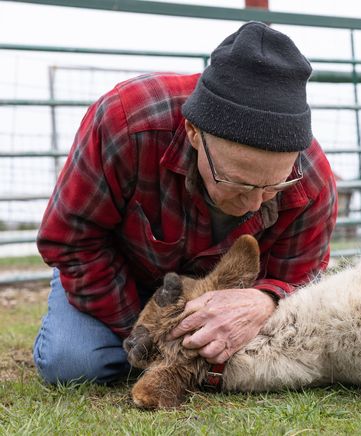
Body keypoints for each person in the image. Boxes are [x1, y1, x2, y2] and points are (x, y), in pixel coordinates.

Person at [33, 21, 338, 385]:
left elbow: (302, 283)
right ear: (195, 133)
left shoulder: (312, 180)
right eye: (238, 181)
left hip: (222, 300)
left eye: (273, 186)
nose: (255, 203)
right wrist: (150, 331)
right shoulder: (126, 122)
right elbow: (71, 239)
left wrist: (268, 301)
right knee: (75, 363)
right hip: (120, 276)